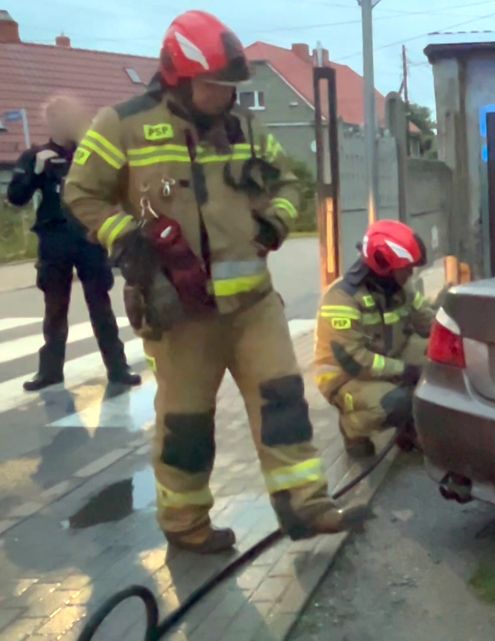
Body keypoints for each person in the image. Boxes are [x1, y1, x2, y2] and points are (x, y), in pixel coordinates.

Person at [63, 10, 370, 554]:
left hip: (253, 306)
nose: (225, 95)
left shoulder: (243, 128)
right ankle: (186, 525)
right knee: (186, 423)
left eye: (231, 86)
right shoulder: (122, 124)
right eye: (214, 85)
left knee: (283, 402)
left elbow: (288, 181)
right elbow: (80, 193)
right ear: (178, 77)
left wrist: (276, 220)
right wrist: (125, 237)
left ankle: (308, 508)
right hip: (178, 311)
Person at [5, 96, 141, 392]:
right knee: (55, 307)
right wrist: (35, 172)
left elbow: (116, 188)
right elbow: (15, 198)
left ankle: (118, 367)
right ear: (51, 122)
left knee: (100, 305)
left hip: (89, 238)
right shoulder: (36, 156)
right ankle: (50, 371)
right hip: (54, 239)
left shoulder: (90, 155)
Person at [314, 220, 433, 459]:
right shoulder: (342, 298)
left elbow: (428, 322)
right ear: (384, 267)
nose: (410, 273)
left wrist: (458, 329)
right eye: (406, 268)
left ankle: (408, 427)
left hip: (387, 357)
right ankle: (352, 427)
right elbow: (354, 360)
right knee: (398, 402)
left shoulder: (400, 288)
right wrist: (405, 370)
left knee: (440, 362)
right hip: (346, 377)